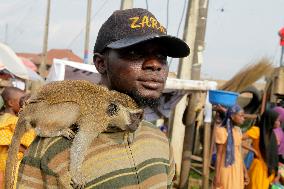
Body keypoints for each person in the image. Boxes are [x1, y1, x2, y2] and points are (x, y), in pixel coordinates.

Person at [16, 8, 190, 188]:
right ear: (101, 63)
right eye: (135, 53)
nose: (155, 65)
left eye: (162, 56)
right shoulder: (51, 150)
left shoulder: (159, 140)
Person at [0, 87, 35, 188]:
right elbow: (13, 141)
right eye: (21, 101)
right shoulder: (14, 121)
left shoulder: (3, 118)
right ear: (11, 103)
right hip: (13, 162)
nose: (24, 104)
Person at [213, 104, 249, 189]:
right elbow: (219, 155)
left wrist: (245, 171)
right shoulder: (221, 131)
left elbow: (239, 153)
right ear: (232, 116)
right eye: (241, 116)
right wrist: (217, 176)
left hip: (237, 168)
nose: (243, 118)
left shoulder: (238, 131)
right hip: (225, 167)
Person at [244, 109, 280, 189]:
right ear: (270, 120)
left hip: (268, 170)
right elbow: (239, 139)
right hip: (259, 169)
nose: (279, 123)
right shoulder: (257, 131)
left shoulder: (272, 134)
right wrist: (253, 150)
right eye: (276, 120)